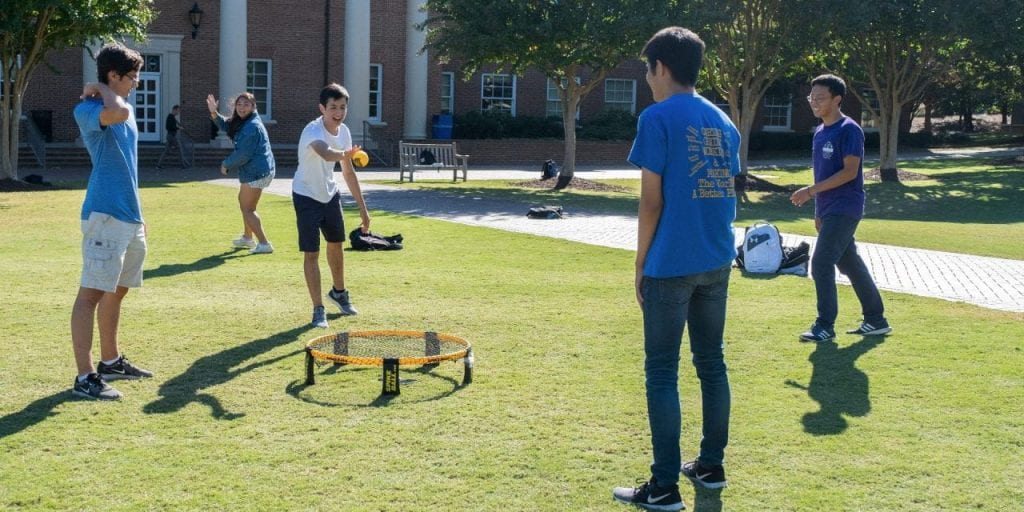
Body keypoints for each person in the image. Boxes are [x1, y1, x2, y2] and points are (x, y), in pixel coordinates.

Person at [612, 27, 740, 511]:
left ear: (660, 68)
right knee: (712, 363)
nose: (647, 80)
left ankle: (664, 486)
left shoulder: (657, 117)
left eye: (647, 70)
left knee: (661, 371)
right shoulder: (723, 122)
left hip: (672, 263)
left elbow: (651, 202)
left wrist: (641, 262)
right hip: (716, 260)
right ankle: (710, 465)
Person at [70, 43, 153, 401]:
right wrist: (100, 89)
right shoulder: (88, 108)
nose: (136, 82)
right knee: (90, 294)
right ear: (113, 75)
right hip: (104, 215)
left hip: (129, 216)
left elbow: (123, 116)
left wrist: (139, 217)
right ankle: (85, 376)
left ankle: (110, 360)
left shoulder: (123, 106)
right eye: (131, 76)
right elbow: (116, 114)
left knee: (117, 291)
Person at [790, 74, 891, 342]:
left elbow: (849, 172)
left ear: (837, 99)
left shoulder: (849, 129)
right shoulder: (820, 132)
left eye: (820, 98)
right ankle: (876, 319)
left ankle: (824, 325)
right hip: (828, 209)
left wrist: (809, 192)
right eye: (811, 97)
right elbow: (822, 174)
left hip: (846, 207)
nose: (814, 102)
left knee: (821, 262)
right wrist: (818, 212)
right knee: (850, 263)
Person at [292, 83, 370, 328]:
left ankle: (339, 292)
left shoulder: (344, 131)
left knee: (336, 245)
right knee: (311, 252)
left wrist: (363, 210)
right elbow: (325, 153)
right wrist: (346, 154)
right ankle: (318, 309)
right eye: (333, 107)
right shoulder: (312, 131)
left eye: (343, 107)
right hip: (305, 196)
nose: (338, 112)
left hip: (329, 194)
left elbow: (348, 173)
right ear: (322, 109)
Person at [207, 92, 276, 254]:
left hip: (257, 173)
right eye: (239, 104)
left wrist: (226, 164)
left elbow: (243, 154)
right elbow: (227, 125)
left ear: (253, 107)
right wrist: (213, 113)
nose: (242, 107)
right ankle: (247, 237)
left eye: (246, 104)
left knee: (248, 209)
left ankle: (264, 244)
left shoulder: (252, 127)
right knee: (244, 202)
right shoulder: (244, 121)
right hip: (257, 171)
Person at [156, 105, 189, 169]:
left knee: (166, 151)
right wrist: (178, 128)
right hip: (172, 136)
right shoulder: (170, 117)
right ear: (175, 109)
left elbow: (170, 127)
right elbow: (169, 127)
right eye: (178, 111)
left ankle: (158, 165)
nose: (178, 112)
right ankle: (184, 165)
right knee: (180, 149)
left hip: (170, 136)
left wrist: (177, 127)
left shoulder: (171, 117)